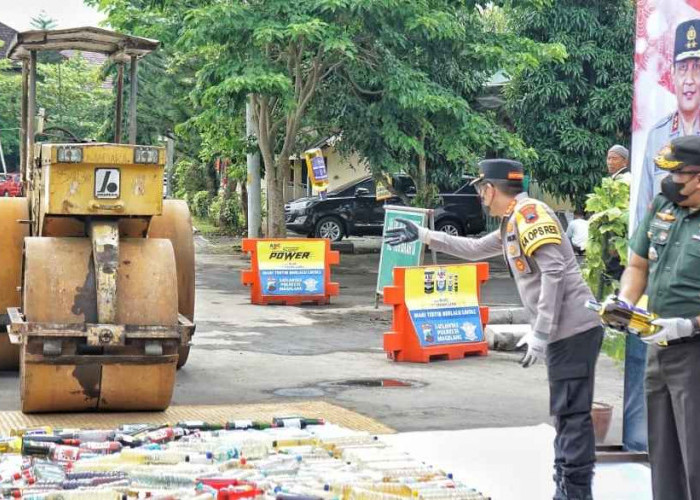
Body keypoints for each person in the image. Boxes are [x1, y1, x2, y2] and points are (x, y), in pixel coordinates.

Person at [385, 159, 604, 500]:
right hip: (566, 330)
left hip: (573, 330)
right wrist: (425, 236)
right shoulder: (512, 220)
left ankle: (574, 494)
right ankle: (566, 487)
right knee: (565, 413)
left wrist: (542, 331)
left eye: (480, 190)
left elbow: (554, 272)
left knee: (572, 415)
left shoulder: (532, 215)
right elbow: (474, 249)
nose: (480, 197)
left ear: (490, 188)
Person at [614, 135, 700, 499]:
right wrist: (623, 302)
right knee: (663, 454)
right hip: (658, 343)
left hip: (694, 350)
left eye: (677, 174)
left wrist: (691, 324)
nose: (669, 182)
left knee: (696, 455)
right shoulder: (663, 204)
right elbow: (637, 264)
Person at [637, 19, 700, 226]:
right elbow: (643, 212)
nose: (689, 79)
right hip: (663, 252)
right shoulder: (657, 135)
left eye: (697, 68)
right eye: (682, 68)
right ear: (672, 74)